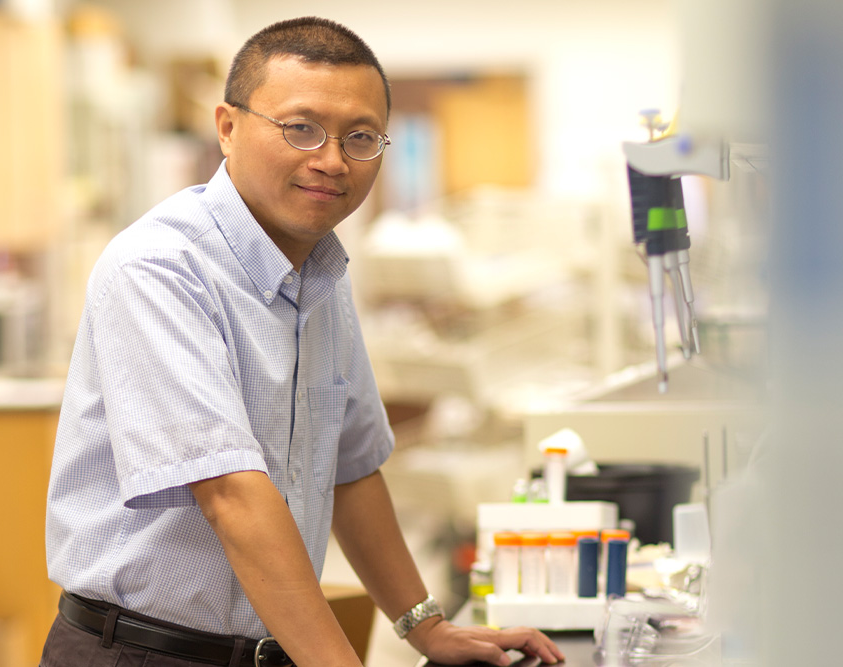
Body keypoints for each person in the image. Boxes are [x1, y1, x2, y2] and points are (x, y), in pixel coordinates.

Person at [41, 16, 564, 667]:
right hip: (142, 653)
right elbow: (231, 494)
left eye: (361, 137)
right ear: (227, 127)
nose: (332, 160)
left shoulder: (321, 276)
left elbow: (352, 468)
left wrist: (426, 627)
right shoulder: (160, 267)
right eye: (301, 128)